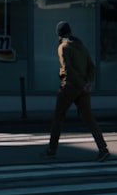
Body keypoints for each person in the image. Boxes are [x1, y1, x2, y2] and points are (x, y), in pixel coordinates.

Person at [44, 21, 110, 161]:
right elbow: (92, 67)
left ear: (59, 34)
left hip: (70, 86)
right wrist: (88, 83)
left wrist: (80, 84)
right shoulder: (81, 46)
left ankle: (51, 149)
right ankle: (102, 148)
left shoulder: (63, 47)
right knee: (89, 118)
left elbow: (67, 69)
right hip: (83, 88)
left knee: (58, 116)